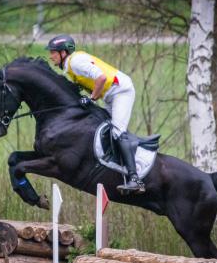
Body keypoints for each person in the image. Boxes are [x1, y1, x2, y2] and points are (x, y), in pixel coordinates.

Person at [46, 34, 145, 194]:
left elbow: (101, 78)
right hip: (110, 94)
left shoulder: (75, 62)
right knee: (103, 125)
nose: (51, 56)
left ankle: (135, 179)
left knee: (117, 131)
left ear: (63, 52)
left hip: (120, 91)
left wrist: (91, 98)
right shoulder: (71, 65)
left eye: (53, 52)